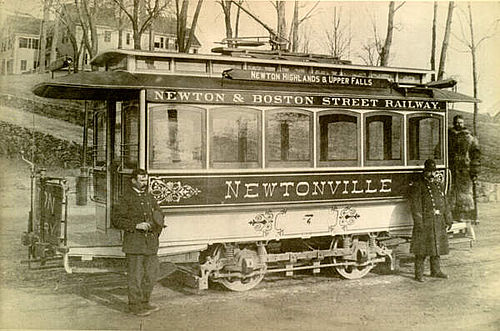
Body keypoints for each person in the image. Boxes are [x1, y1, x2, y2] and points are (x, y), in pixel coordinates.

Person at [113, 168, 166, 316]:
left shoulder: (149, 197)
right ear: (133, 181)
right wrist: (136, 225)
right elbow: (116, 219)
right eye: (142, 180)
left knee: (151, 275)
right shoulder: (125, 198)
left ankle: (145, 302)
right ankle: (135, 306)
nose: (145, 182)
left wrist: (156, 227)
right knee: (135, 277)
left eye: (146, 179)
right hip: (134, 243)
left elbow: (160, 214)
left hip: (150, 243)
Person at [409, 159, 453, 282]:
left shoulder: (439, 185)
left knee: (436, 248)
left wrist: (448, 219)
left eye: (433, 171)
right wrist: (419, 223)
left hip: (438, 220)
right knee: (421, 250)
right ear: (424, 172)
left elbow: (445, 203)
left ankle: (436, 271)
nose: (431, 174)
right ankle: (419, 274)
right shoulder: (419, 185)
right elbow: (415, 206)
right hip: (425, 221)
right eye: (429, 171)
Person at [448, 115, 480, 237]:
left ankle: (465, 224)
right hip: (451, 171)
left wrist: (474, 172)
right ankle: (452, 225)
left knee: (465, 197)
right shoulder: (448, 136)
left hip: (465, 172)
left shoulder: (470, 138)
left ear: (464, 123)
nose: (458, 124)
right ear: (454, 123)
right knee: (451, 196)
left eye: (461, 122)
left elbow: (476, 156)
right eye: (456, 122)